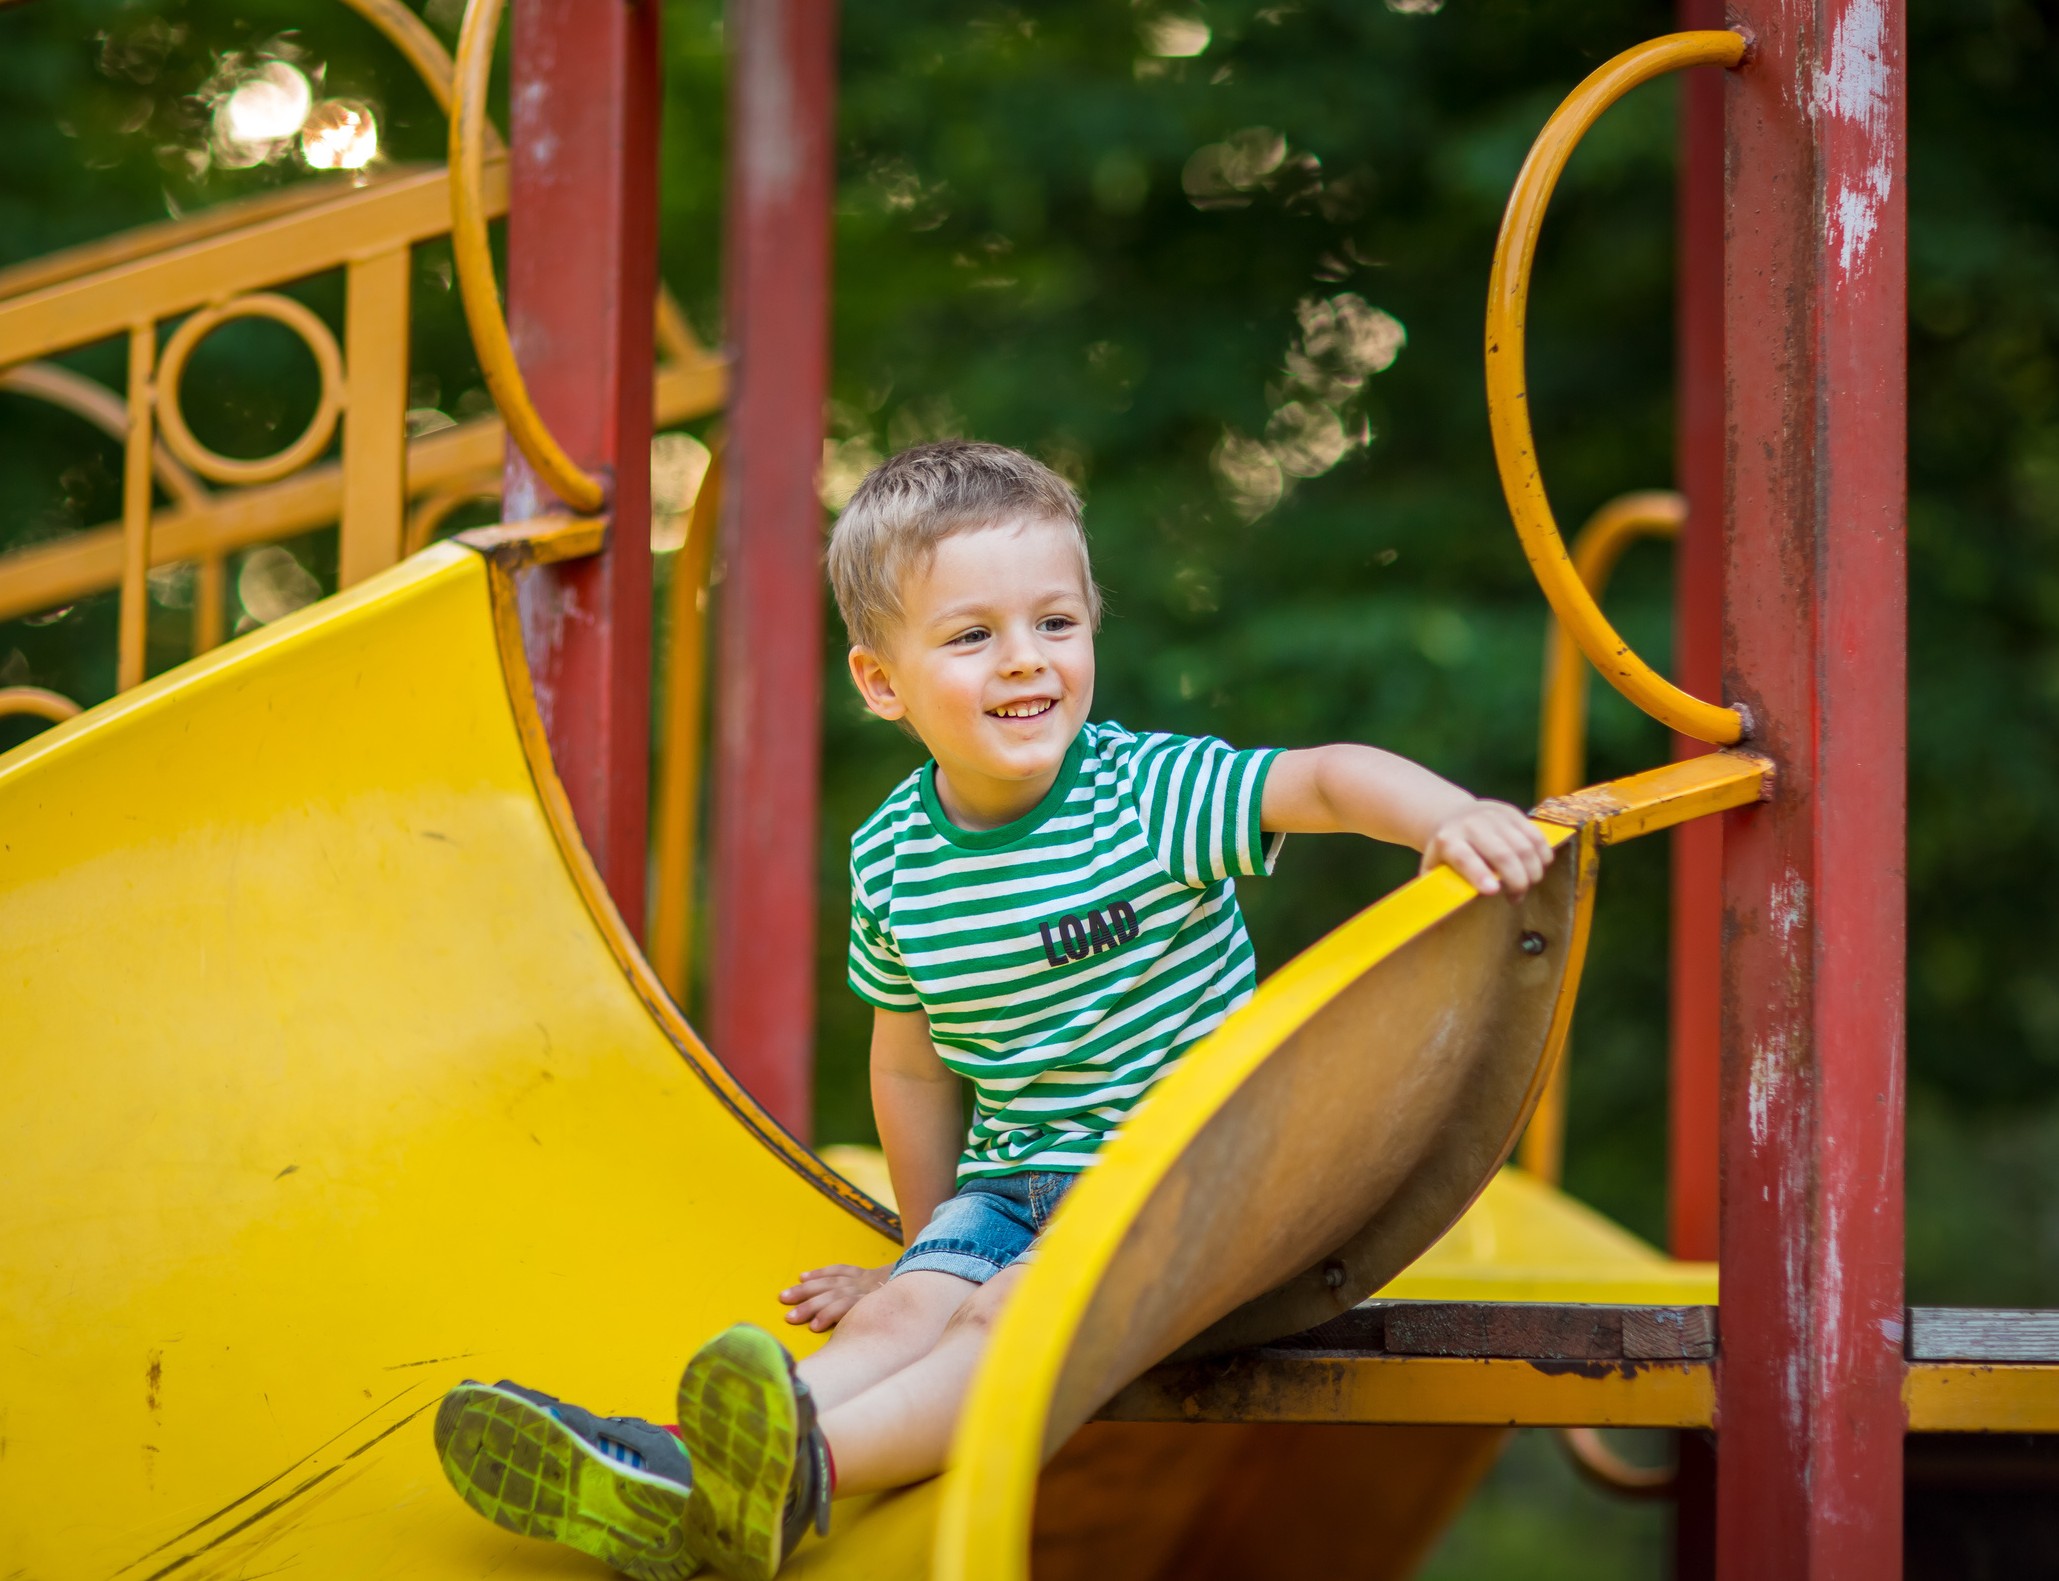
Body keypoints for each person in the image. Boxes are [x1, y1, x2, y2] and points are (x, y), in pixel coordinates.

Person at [432, 440, 1555, 1581]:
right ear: (882, 683)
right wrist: (923, 1250)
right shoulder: (894, 861)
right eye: (972, 638)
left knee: (995, 1320)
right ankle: (676, 1469)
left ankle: (793, 1471)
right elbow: (914, 1070)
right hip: (1009, 1187)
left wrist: (1445, 818)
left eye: (1054, 625)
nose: (1025, 662)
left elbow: (1321, 777)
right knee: (897, 1320)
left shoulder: (1145, 792)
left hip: (1185, 1189)